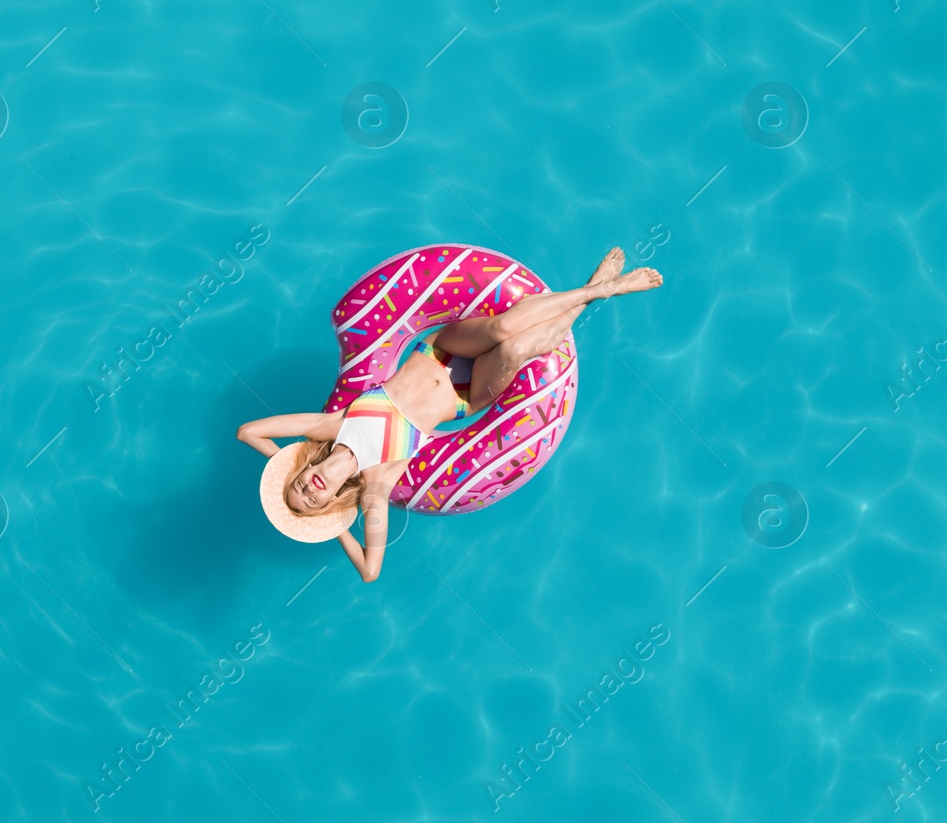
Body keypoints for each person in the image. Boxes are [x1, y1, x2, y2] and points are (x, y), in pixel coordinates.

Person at [237, 247, 661, 581]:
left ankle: (599, 290)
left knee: (499, 329)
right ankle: (596, 290)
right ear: (330, 502)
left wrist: (282, 461)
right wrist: (334, 527)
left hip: (442, 348)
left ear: (300, 469)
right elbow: (371, 571)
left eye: (298, 487)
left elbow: (248, 432)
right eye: (314, 502)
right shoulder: (377, 484)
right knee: (515, 349)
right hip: (468, 395)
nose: (310, 490)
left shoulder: (329, 424)